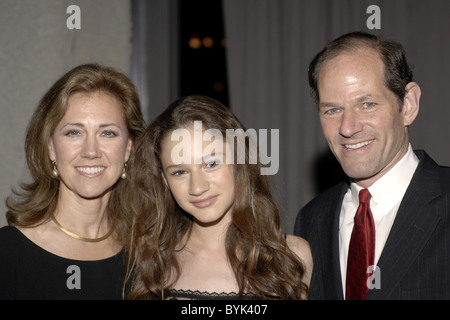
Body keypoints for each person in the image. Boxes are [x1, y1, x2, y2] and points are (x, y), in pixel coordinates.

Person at [294, 31, 450, 300]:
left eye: (366, 104)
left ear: (408, 105)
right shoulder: (311, 221)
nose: (347, 127)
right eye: (332, 110)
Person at [125, 95, 313, 299]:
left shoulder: (292, 255)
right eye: (180, 172)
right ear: (164, 180)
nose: (197, 187)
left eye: (211, 164)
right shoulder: (151, 261)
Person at [0, 64, 145, 299]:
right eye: (73, 133)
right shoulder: (8, 254)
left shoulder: (148, 256)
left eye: (107, 133)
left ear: (128, 149)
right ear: (51, 148)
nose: (91, 151)